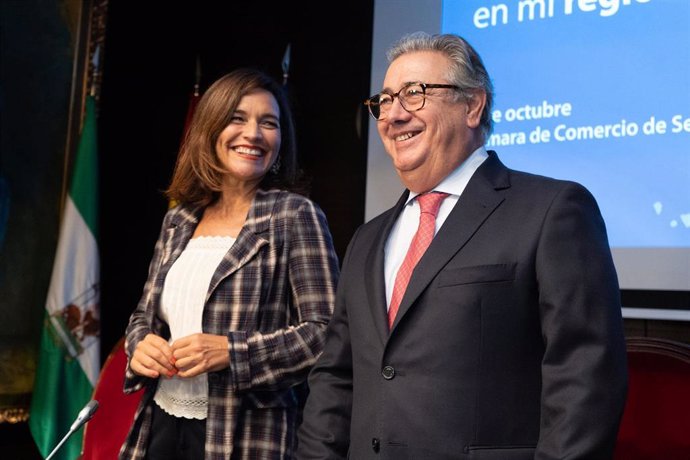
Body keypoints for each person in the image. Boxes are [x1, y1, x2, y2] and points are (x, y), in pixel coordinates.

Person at [297, 32, 628, 459]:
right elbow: (337, 378)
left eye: (414, 94)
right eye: (384, 100)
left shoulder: (552, 210)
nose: (392, 115)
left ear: (472, 105)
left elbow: (586, 377)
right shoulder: (367, 238)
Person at [119, 68, 340, 460]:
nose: (253, 134)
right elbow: (143, 315)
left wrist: (233, 352)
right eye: (237, 118)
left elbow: (327, 335)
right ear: (210, 130)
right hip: (160, 423)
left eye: (268, 123)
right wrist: (140, 347)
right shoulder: (180, 218)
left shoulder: (294, 215)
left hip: (247, 436)